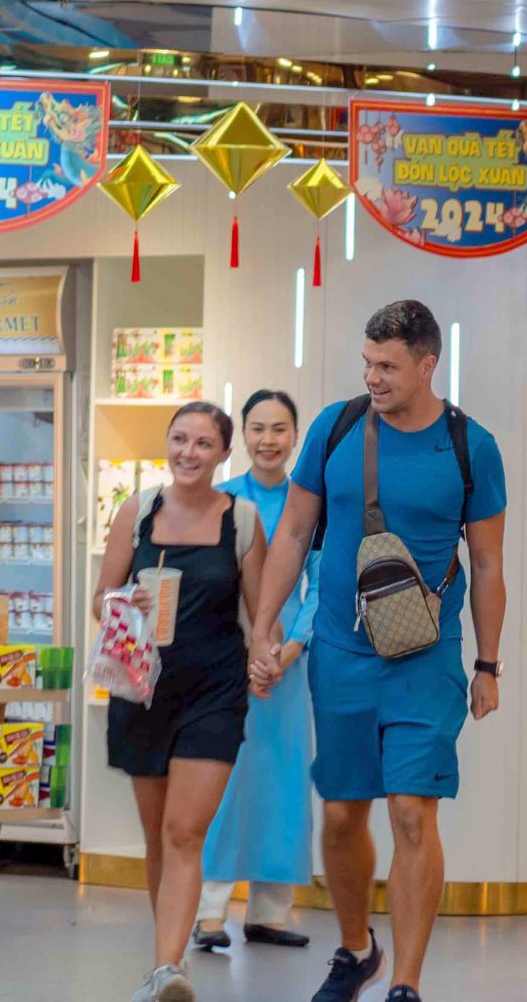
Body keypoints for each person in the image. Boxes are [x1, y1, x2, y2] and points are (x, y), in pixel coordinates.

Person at [248, 300, 508, 1002]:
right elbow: (293, 533)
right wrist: (265, 626)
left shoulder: (470, 446)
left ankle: (405, 984)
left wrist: (487, 665)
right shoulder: (334, 428)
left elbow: (487, 563)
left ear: (428, 365)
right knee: (341, 813)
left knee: (412, 811)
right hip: (340, 651)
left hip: (425, 657)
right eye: (367, 363)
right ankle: (357, 948)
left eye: (388, 366)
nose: (373, 377)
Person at [93, 402, 270, 1002]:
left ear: (223, 453)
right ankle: (164, 962)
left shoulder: (241, 519)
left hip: (215, 691)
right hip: (141, 688)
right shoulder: (136, 512)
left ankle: (168, 969)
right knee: (158, 837)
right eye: (179, 439)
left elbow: (261, 615)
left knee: (185, 831)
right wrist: (124, 602)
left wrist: (267, 657)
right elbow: (101, 598)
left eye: (202, 443)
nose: (188, 452)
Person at [194, 388, 319, 952]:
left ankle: (270, 912)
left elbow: (322, 587)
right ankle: (208, 912)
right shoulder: (220, 502)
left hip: (285, 672)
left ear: (295, 437)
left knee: (283, 783)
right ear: (241, 436)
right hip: (226, 664)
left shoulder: (311, 504)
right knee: (220, 783)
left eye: (280, 429)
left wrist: (287, 650)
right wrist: (244, 651)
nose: (268, 440)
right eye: (258, 428)